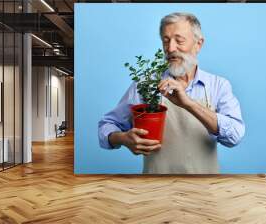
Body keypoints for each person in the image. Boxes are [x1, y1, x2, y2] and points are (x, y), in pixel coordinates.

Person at [98, 12, 245, 174]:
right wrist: (123, 138)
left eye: (179, 40)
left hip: (205, 190)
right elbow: (106, 126)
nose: (170, 48)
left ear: (198, 44)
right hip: (156, 188)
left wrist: (188, 103)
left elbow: (235, 136)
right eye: (165, 41)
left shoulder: (218, 85)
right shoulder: (146, 84)